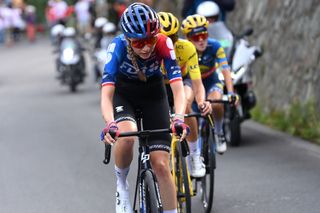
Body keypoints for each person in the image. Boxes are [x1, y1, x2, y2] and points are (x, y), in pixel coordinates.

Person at [100, 3, 189, 213]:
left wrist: (178, 119)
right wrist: (110, 123)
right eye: (139, 43)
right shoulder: (117, 47)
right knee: (127, 135)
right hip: (125, 93)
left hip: (153, 93)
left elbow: (177, 89)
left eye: (150, 40)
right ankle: (121, 185)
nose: (146, 47)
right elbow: (106, 95)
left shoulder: (164, 43)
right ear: (129, 40)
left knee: (161, 165)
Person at [158, 11, 211, 178]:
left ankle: (195, 155)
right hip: (161, 85)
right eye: (164, 38)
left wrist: (202, 101)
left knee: (187, 105)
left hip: (183, 80)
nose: (169, 42)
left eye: (172, 37)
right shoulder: (150, 51)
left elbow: (197, 83)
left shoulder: (187, 47)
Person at [181, 14, 238, 154]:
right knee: (189, 110)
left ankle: (219, 133)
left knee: (217, 102)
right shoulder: (183, 49)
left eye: (204, 35)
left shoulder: (215, 45)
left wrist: (231, 93)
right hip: (192, 83)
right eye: (196, 37)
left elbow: (225, 70)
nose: (201, 40)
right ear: (188, 38)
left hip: (211, 81)